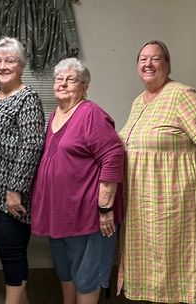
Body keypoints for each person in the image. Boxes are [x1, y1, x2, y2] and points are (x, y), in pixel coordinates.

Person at [117, 40, 196, 303]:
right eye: (143, 59)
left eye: (155, 58)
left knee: (176, 260)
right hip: (142, 200)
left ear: (167, 64)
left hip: (177, 198)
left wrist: (191, 177)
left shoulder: (182, 94)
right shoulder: (138, 102)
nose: (148, 64)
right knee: (149, 262)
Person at [31, 58, 125, 304]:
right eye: (59, 79)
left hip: (88, 217)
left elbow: (113, 156)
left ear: (84, 86)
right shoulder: (54, 116)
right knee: (66, 274)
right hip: (60, 215)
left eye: (70, 79)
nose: (62, 84)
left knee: (87, 279)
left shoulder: (91, 114)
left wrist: (105, 208)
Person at [0, 37, 45, 304]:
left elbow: (32, 145)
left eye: (10, 60)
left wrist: (15, 191)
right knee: (7, 253)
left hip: (12, 196)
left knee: (12, 254)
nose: (2, 65)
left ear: (21, 65)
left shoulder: (28, 98)